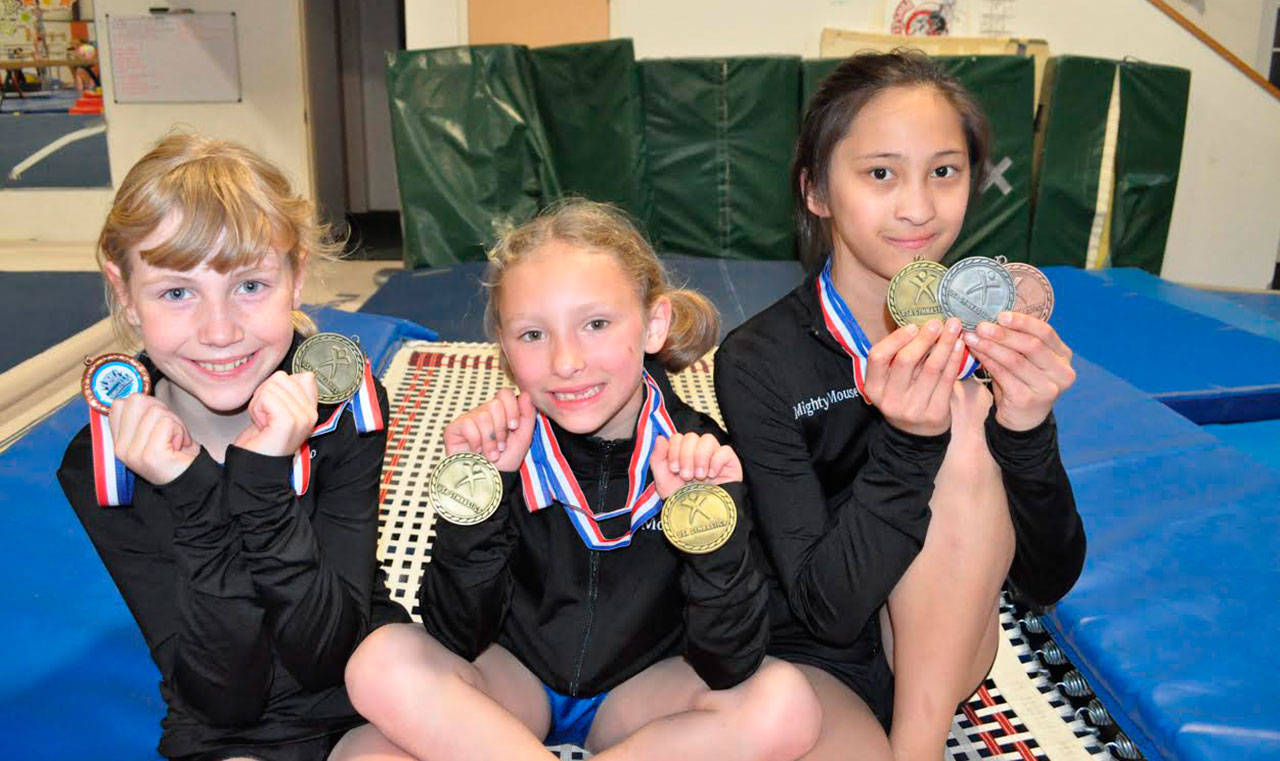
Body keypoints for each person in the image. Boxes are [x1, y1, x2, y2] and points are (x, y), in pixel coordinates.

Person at [338, 200, 821, 761]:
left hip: (640, 696)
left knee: (786, 703)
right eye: (533, 335)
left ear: (653, 324)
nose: (566, 361)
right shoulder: (498, 446)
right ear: (504, 346)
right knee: (377, 672)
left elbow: (728, 663)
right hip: (516, 681)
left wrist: (713, 539)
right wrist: (478, 502)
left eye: (595, 324)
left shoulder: (704, 457)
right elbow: (457, 638)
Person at [714, 51, 1086, 761]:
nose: (918, 207)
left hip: (943, 652)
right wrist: (911, 442)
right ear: (817, 190)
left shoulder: (986, 332)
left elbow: (1045, 581)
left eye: (944, 171)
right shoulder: (759, 358)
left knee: (969, 416)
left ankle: (919, 745)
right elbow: (826, 611)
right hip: (812, 651)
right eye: (880, 173)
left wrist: (1027, 425)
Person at [57, 132, 408, 761]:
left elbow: (330, 656)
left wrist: (262, 480)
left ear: (296, 277)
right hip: (224, 721)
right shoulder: (104, 464)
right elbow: (226, 696)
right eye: (176, 292)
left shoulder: (347, 406)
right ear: (124, 293)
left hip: (359, 686)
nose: (220, 332)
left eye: (249, 286)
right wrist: (193, 491)